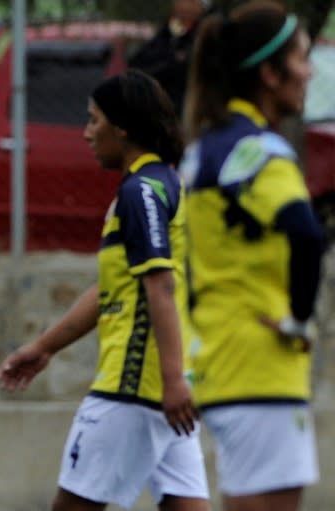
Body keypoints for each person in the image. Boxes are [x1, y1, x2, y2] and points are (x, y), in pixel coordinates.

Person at [0, 70, 209, 511]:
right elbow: (112, 288)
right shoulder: (165, 183)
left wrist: (170, 379)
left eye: (94, 120)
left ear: (123, 127)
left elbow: (161, 286)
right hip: (166, 389)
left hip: (132, 389)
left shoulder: (142, 192)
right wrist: (43, 347)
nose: (87, 133)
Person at [180, 2, 325, 510]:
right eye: (302, 58)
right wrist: (298, 321)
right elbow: (307, 236)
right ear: (269, 73)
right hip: (262, 363)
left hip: (219, 361)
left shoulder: (203, 150)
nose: (310, 72)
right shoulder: (261, 151)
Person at [128, 0, 212, 115]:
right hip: (162, 107)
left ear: (200, 7)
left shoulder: (208, 33)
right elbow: (137, 62)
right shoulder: (168, 31)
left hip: (193, 110)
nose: (181, 5)